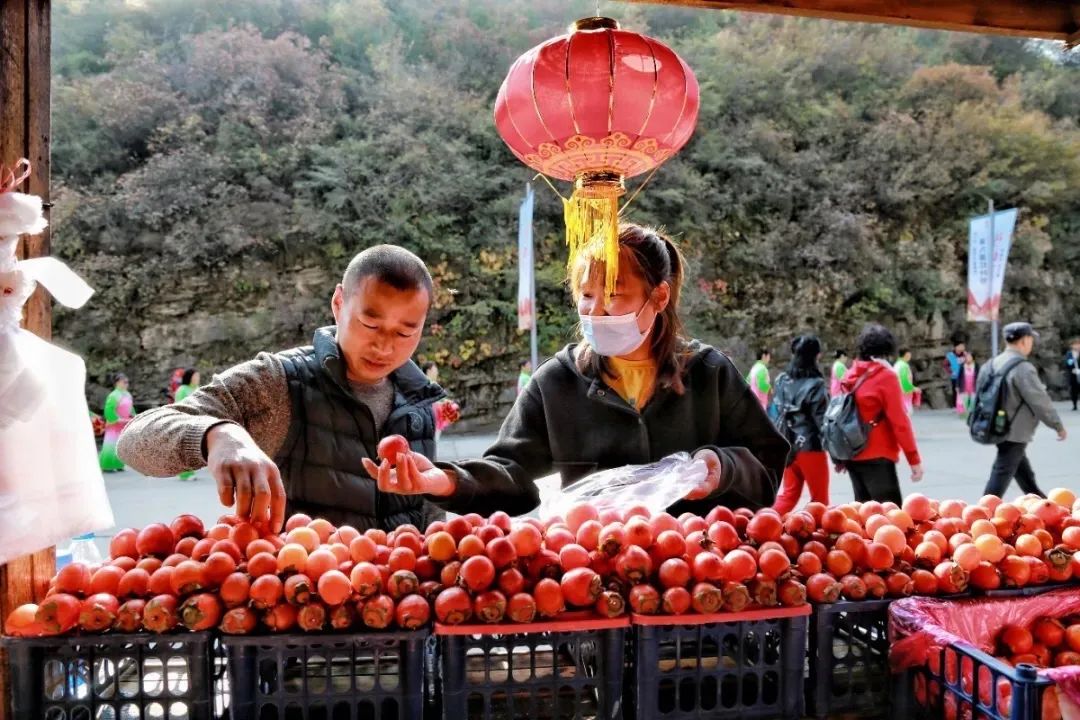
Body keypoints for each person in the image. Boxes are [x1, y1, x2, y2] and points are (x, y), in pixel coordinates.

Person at [364, 224, 789, 517]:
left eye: (615, 296)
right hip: (595, 588)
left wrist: (719, 468)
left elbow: (767, 464)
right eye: (586, 295)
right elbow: (513, 476)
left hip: (699, 582)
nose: (596, 310)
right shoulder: (557, 383)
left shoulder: (709, 374)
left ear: (659, 298)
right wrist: (444, 481)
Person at [117, 245, 446, 532]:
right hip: (301, 595)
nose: (385, 346)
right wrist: (216, 435)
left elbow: (429, 521)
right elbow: (135, 440)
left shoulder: (419, 400)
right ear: (338, 303)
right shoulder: (279, 382)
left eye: (405, 332)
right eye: (370, 324)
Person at [837, 324, 923, 504]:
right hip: (878, 455)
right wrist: (913, 459)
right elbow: (900, 422)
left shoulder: (850, 374)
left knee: (863, 518)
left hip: (852, 453)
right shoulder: (885, 377)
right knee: (890, 520)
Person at [981, 322, 1066, 498]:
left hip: (995, 426)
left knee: (1024, 474)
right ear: (1024, 341)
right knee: (1002, 472)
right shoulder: (1022, 368)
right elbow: (1040, 401)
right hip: (1015, 430)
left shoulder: (991, 364)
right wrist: (1057, 425)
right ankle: (982, 514)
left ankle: (1042, 504)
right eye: (1030, 339)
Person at [772, 335, 830, 514]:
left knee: (789, 495)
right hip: (810, 448)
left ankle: (760, 523)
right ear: (816, 356)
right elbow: (822, 421)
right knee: (820, 500)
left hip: (787, 445)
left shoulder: (782, 380)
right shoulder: (816, 384)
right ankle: (811, 536)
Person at [99, 373, 134, 472]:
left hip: (124, 423)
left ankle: (119, 464)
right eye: (125, 382)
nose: (127, 384)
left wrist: (133, 416)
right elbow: (109, 409)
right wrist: (115, 419)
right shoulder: (114, 395)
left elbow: (130, 408)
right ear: (117, 382)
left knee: (121, 444)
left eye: (127, 382)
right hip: (114, 423)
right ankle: (107, 465)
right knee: (110, 444)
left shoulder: (127, 394)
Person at [174, 368, 201, 481]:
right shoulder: (182, 389)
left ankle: (191, 471)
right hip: (184, 420)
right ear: (189, 377)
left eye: (198, 377)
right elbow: (179, 405)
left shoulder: (198, 389)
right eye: (195, 377)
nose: (197, 379)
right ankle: (184, 474)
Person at [893, 348, 918, 415]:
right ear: (907, 355)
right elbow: (904, 380)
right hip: (904, 393)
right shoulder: (904, 366)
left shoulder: (897, 364)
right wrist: (913, 388)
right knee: (907, 413)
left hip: (898, 392)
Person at [956, 352, 978, 417]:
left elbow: (979, 376)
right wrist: (957, 386)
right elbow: (958, 376)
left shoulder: (976, 365)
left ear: (973, 358)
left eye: (969, 357)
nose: (968, 358)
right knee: (963, 399)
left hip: (973, 385)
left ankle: (972, 413)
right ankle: (963, 414)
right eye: (966, 357)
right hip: (964, 384)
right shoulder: (962, 366)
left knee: (973, 399)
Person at [945, 340, 966, 409]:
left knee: (964, 390)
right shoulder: (950, 355)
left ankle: (964, 404)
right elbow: (946, 365)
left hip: (964, 376)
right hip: (955, 376)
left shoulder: (965, 354)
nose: (963, 347)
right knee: (955, 390)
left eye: (963, 346)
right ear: (956, 347)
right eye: (961, 346)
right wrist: (950, 371)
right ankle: (955, 405)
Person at [1063, 338, 1080, 411]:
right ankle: (1075, 404)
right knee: (1074, 390)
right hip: (1073, 374)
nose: (1077, 346)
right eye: (1075, 344)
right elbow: (1067, 363)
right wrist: (1073, 359)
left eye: (1078, 344)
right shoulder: (1069, 353)